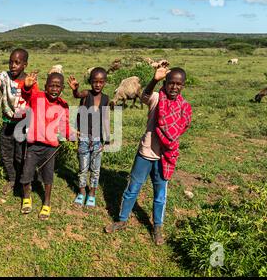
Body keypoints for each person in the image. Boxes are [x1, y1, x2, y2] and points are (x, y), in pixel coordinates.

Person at [105, 65, 192, 246]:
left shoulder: (184, 107)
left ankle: (157, 227)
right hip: (146, 152)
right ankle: (122, 220)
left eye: (178, 84)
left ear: (183, 85)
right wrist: (154, 80)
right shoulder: (156, 99)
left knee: (160, 194)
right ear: (165, 83)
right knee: (132, 188)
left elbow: (182, 127)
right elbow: (144, 96)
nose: (174, 87)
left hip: (165, 157)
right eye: (170, 83)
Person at [20, 72, 73, 220]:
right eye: (51, 86)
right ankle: (26, 198)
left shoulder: (63, 105)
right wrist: (27, 86)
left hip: (50, 147)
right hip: (33, 145)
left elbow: (65, 126)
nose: (54, 89)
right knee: (27, 173)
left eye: (58, 86)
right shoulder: (37, 97)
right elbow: (26, 95)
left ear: (62, 88)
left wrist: (72, 136)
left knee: (48, 176)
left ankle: (47, 202)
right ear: (45, 86)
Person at [0, 49, 39, 194]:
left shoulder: (30, 80)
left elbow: (34, 99)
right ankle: (12, 179)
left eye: (17, 62)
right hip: (7, 121)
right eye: (11, 62)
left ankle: (24, 180)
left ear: (25, 64)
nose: (13, 65)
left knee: (20, 154)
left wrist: (27, 87)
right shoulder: (5, 76)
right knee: (6, 153)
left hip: (23, 123)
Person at [67, 67, 110, 208]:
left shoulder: (105, 99)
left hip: (98, 139)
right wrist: (75, 89)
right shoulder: (86, 94)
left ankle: (92, 193)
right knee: (83, 168)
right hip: (84, 137)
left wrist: (107, 137)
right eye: (94, 81)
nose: (97, 85)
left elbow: (105, 118)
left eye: (101, 82)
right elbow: (77, 94)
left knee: (96, 169)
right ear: (90, 82)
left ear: (105, 82)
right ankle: (81, 192)